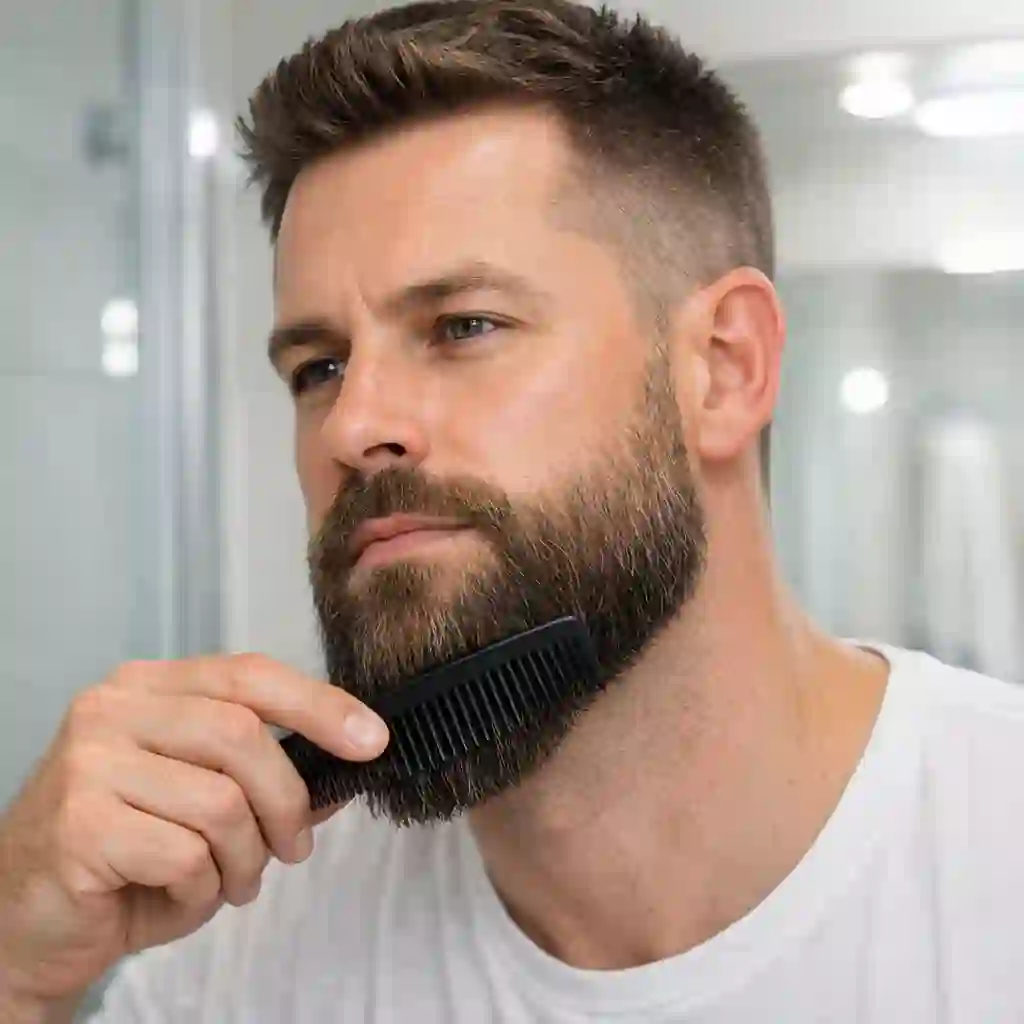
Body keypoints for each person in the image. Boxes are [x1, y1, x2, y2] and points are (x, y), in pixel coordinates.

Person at [2, 2, 1023, 1021]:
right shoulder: (235, 948)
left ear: (723, 368)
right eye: (318, 366)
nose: (351, 424)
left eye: (463, 326)